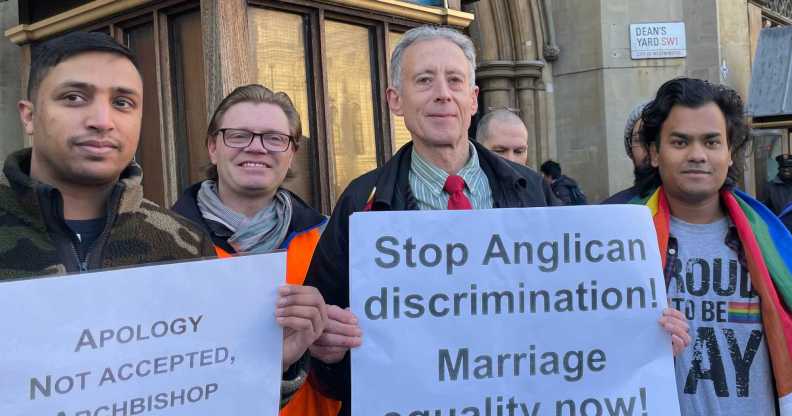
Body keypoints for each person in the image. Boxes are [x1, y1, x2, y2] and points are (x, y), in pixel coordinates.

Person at [2, 32, 324, 408]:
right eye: (74, 97)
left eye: (122, 102)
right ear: (28, 114)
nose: (101, 120)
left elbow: (208, 393)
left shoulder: (181, 242)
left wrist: (272, 364)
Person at [171, 84, 339, 415]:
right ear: (213, 147)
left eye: (274, 138)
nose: (256, 148)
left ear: (291, 153)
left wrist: (339, 349)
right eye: (238, 135)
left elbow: (353, 371)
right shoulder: (163, 245)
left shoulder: (328, 239)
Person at [636, 77, 792, 415]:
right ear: (653, 153)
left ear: (730, 153)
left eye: (711, 142)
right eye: (680, 142)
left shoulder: (775, 243)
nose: (697, 155)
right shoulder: (620, 244)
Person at [603, 101, 654, 204]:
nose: (650, 149)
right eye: (639, 140)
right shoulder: (614, 209)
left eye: (654, 138)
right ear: (630, 151)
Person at [763, 154, 792, 232]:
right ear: (779, 169)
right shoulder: (770, 187)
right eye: (784, 168)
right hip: (780, 232)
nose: (786, 170)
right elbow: (765, 212)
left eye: (789, 167)